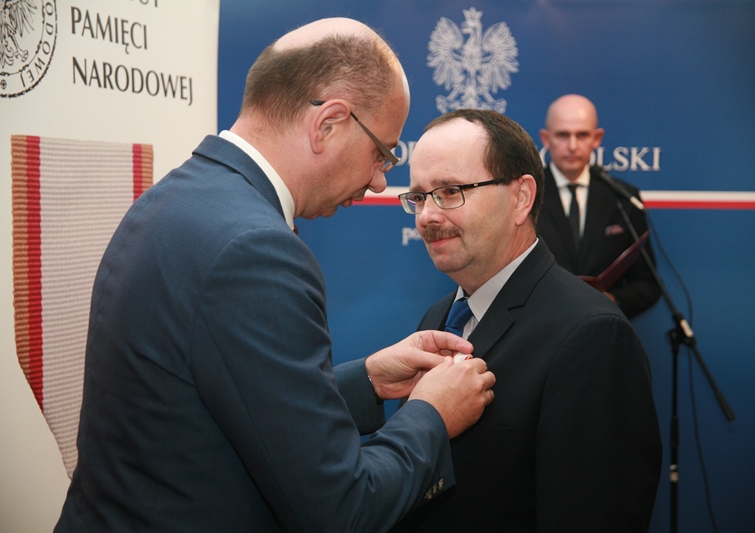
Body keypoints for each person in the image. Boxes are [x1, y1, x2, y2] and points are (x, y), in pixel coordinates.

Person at [55, 18, 496, 532]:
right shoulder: (256, 250)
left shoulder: (178, 196)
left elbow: (223, 403)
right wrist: (431, 415)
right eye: (382, 153)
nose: (379, 180)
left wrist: (369, 380)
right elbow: (343, 511)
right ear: (328, 124)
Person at [392, 109, 662, 532]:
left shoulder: (592, 336)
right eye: (419, 196)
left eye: (450, 191)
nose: (426, 215)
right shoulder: (439, 317)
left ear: (521, 198)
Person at [537, 94, 660, 319]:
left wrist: (612, 302)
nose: (572, 146)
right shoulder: (525, 196)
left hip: (603, 327)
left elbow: (647, 284)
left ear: (597, 138)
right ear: (546, 139)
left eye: (582, 135)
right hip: (540, 327)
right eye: (563, 135)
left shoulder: (623, 197)